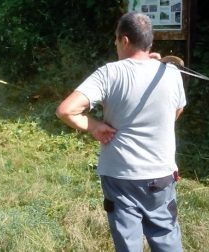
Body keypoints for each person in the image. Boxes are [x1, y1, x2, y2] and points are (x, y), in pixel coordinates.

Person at [56, 12, 186, 251]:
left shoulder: (109, 73)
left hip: (121, 176)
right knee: (167, 237)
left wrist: (95, 126)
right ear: (149, 43)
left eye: (116, 39)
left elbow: (66, 110)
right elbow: (175, 112)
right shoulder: (171, 72)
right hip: (161, 174)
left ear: (124, 41)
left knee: (128, 243)